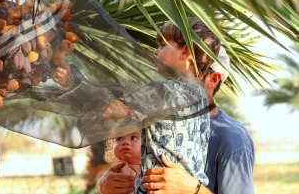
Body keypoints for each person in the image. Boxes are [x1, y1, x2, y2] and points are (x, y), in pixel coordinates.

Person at [55, 18, 222, 193]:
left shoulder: (164, 92)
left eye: (162, 46)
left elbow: (109, 109)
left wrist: (73, 82)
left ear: (185, 51)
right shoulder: (201, 98)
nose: (155, 52)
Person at [98, 45, 255, 194]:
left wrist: (193, 189)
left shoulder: (231, 138)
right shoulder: (150, 123)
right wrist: (106, 186)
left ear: (212, 80)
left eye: (182, 75)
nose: (171, 83)